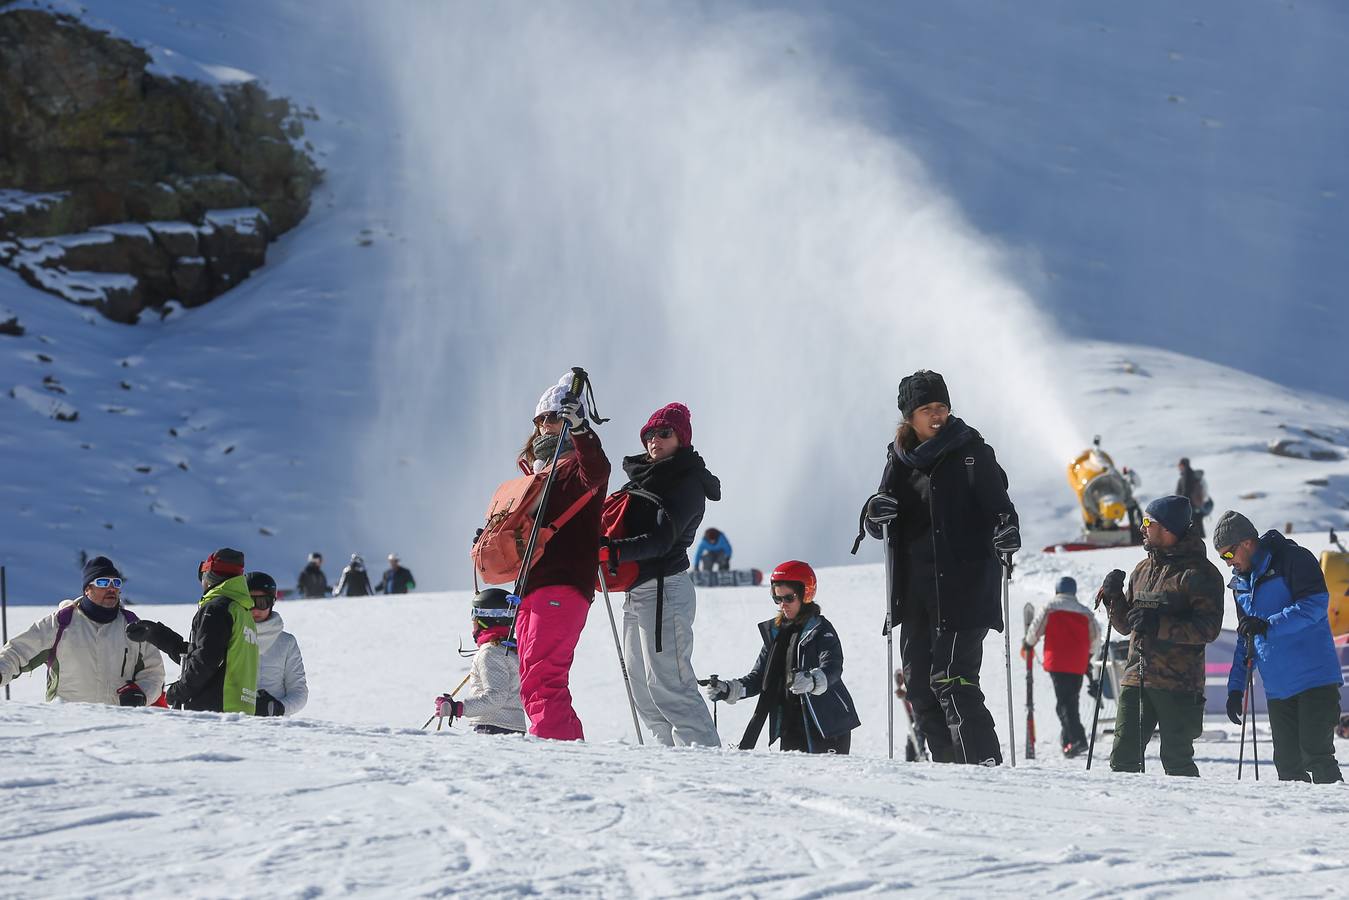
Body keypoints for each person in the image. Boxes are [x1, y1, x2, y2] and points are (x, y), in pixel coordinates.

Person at [860, 369, 1021, 765]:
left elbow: (1001, 509)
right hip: (916, 594)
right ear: (909, 416)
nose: (936, 415)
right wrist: (873, 514)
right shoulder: (899, 459)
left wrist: (1007, 531)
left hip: (965, 589)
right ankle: (950, 772)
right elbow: (881, 517)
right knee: (919, 686)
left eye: (941, 407)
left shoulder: (972, 453)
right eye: (927, 409)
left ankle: (981, 766)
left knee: (951, 678)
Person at [602, 402, 721, 747]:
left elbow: (662, 539)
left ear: (681, 438)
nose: (654, 440)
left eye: (664, 433)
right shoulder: (641, 480)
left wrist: (614, 551)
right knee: (642, 691)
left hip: (666, 589)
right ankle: (670, 763)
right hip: (637, 592)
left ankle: (706, 765)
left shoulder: (687, 482)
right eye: (649, 434)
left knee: (670, 687)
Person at [512, 372, 610, 740]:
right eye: (540, 419)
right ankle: (566, 750)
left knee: (543, 677)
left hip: (562, 582)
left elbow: (597, 470)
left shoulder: (578, 467)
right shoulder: (538, 474)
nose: (545, 425)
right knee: (530, 678)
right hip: (532, 585)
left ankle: (554, 753)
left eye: (553, 417)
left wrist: (581, 430)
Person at [1098, 495, 1224, 776]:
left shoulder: (1200, 574)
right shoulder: (1143, 569)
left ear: (1168, 528)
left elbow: (1208, 628)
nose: (1142, 528)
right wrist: (1113, 597)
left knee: (1177, 761)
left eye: (1148, 522)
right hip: (1136, 677)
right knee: (1123, 759)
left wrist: (1158, 624)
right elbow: (1126, 626)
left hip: (1178, 683)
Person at [1214, 510, 1343, 783]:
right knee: (1287, 766)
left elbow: (1315, 606)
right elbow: (1246, 637)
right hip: (1278, 689)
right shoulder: (1240, 584)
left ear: (1247, 542)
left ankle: (1336, 809)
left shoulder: (1293, 559)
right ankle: (1297, 813)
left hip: (1314, 679)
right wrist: (1235, 688)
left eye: (1229, 554)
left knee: (1316, 755)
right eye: (1222, 557)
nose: (1228, 562)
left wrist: (1268, 625)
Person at [703, 561, 859, 753]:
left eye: (789, 598)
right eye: (777, 598)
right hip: (790, 726)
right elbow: (759, 678)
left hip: (827, 725)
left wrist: (812, 681)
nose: (783, 604)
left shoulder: (821, 629)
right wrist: (729, 689)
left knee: (826, 773)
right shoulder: (775, 634)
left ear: (806, 594)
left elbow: (833, 666)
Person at [0, 556, 164, 706]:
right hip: (69, 720)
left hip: (118, 721)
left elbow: (153, 673)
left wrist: (141, 694)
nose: (111, 588)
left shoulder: (133, 627)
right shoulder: (60, 623)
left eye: (116, 583)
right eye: (103, 583)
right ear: (87, 589)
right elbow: (17, 651)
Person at [164, 548, 260, 714]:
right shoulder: (242, 611)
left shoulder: (216, 609)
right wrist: (159, 636)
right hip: (241, 707)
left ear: (209, 575)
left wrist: (179, 691)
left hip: (215, 709)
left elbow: (206, 659)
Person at [1022, 576, 1101, 757]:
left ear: (1057, 590)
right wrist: (1088, 655)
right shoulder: (1085, 612)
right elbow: (1096, 637)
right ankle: (1069, 744)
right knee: (1071, 701)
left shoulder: (1050, 608)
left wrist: (1028, 643)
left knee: (1064, 705)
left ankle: (1078, 740)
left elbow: (1036, 629)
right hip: (1078, 663)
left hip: (1057, 661)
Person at [431, 589, 527, 734]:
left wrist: (457, 708)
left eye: (474, 620)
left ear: (484, 621)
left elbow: (496, 697)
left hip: (494, 726)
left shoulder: (490, 652)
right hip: (511, 726)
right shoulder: (511, 650)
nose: (473, 627)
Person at [247, 572, 308, 717]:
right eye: (249, 602)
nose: (255, 609)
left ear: (272, 602)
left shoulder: (286, 642)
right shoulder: (230, 637)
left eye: (262, 602)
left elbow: (298, 692)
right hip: (236, 721)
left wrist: (277, 708)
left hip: (275, 726)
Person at [1175, 458, 1210, 538]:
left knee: (1193, 525)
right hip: (1194, 505)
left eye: (1180, 465)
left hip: (1190, 505)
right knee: (1197, 523)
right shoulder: (1191, 474)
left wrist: (1180, 502)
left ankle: (1198, 539)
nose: (1178, 467)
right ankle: (1201, 538)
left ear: (1183, 465)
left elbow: (1186, 490)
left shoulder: (1187, 475)